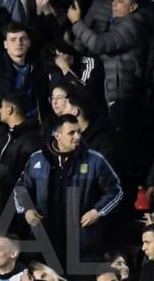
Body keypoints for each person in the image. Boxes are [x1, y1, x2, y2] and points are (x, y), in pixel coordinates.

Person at [14, 114, 123, 269]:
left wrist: (97, 211)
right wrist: (27, 210)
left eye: (79, 132)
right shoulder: (37, 159)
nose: (77, 137)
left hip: (82, 244)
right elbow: (20, 187)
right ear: (57, 135)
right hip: (45, 243)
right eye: (71, 133)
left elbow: (115, 190)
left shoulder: (94, 160)